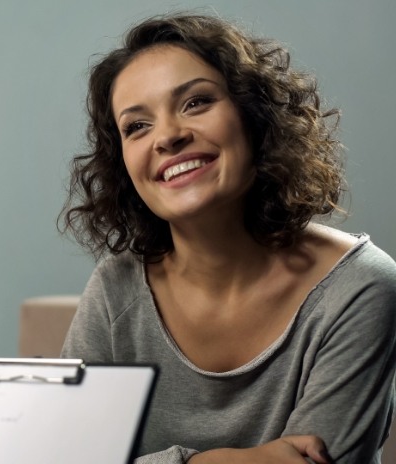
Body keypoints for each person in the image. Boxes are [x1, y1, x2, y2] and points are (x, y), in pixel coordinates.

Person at [60, 12, 396, 464]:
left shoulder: (362, 287)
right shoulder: (114, 289)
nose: (169, 136)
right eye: (137, 126)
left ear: (254, 118)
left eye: (196, 102)